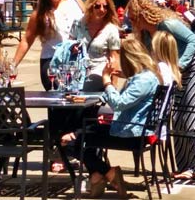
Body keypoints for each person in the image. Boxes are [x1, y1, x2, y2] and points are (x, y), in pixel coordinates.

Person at [126, 0, 195, 179]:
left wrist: (180, 65)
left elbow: (193, 40)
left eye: (132, 18)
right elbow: (147, 59)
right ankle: (186, 164)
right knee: (177, 116)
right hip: (176, 73)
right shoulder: (146, 35)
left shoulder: (166, 24)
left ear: (142, 14)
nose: (131, 22)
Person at [62, 38, 162, 198]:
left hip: (132, 134)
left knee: (70, 142)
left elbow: (119, 104)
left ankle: (107, 173)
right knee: (83, 132)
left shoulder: (142, 80)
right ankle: (98, 176)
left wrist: (106, 81)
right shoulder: (146, 76)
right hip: (133, 129)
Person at [12, 0, 84, 90]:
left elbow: (89, 22)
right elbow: (27, 39)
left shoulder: (75, 1)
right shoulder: (40, 13)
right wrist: (13, 65)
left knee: (76, 100)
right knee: (56, 100)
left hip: (76, 59)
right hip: (52, 60)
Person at [70, 0, 121, 91]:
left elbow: (114, 58)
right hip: (78, 70)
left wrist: (113, 86)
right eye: (97, 6)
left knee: (83, 89)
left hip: (99, 71)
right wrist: (72, 48)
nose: (102, 9)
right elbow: (69, 44)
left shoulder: (111, 29)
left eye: (105, 6)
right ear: (91, 6)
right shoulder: (79, 23)